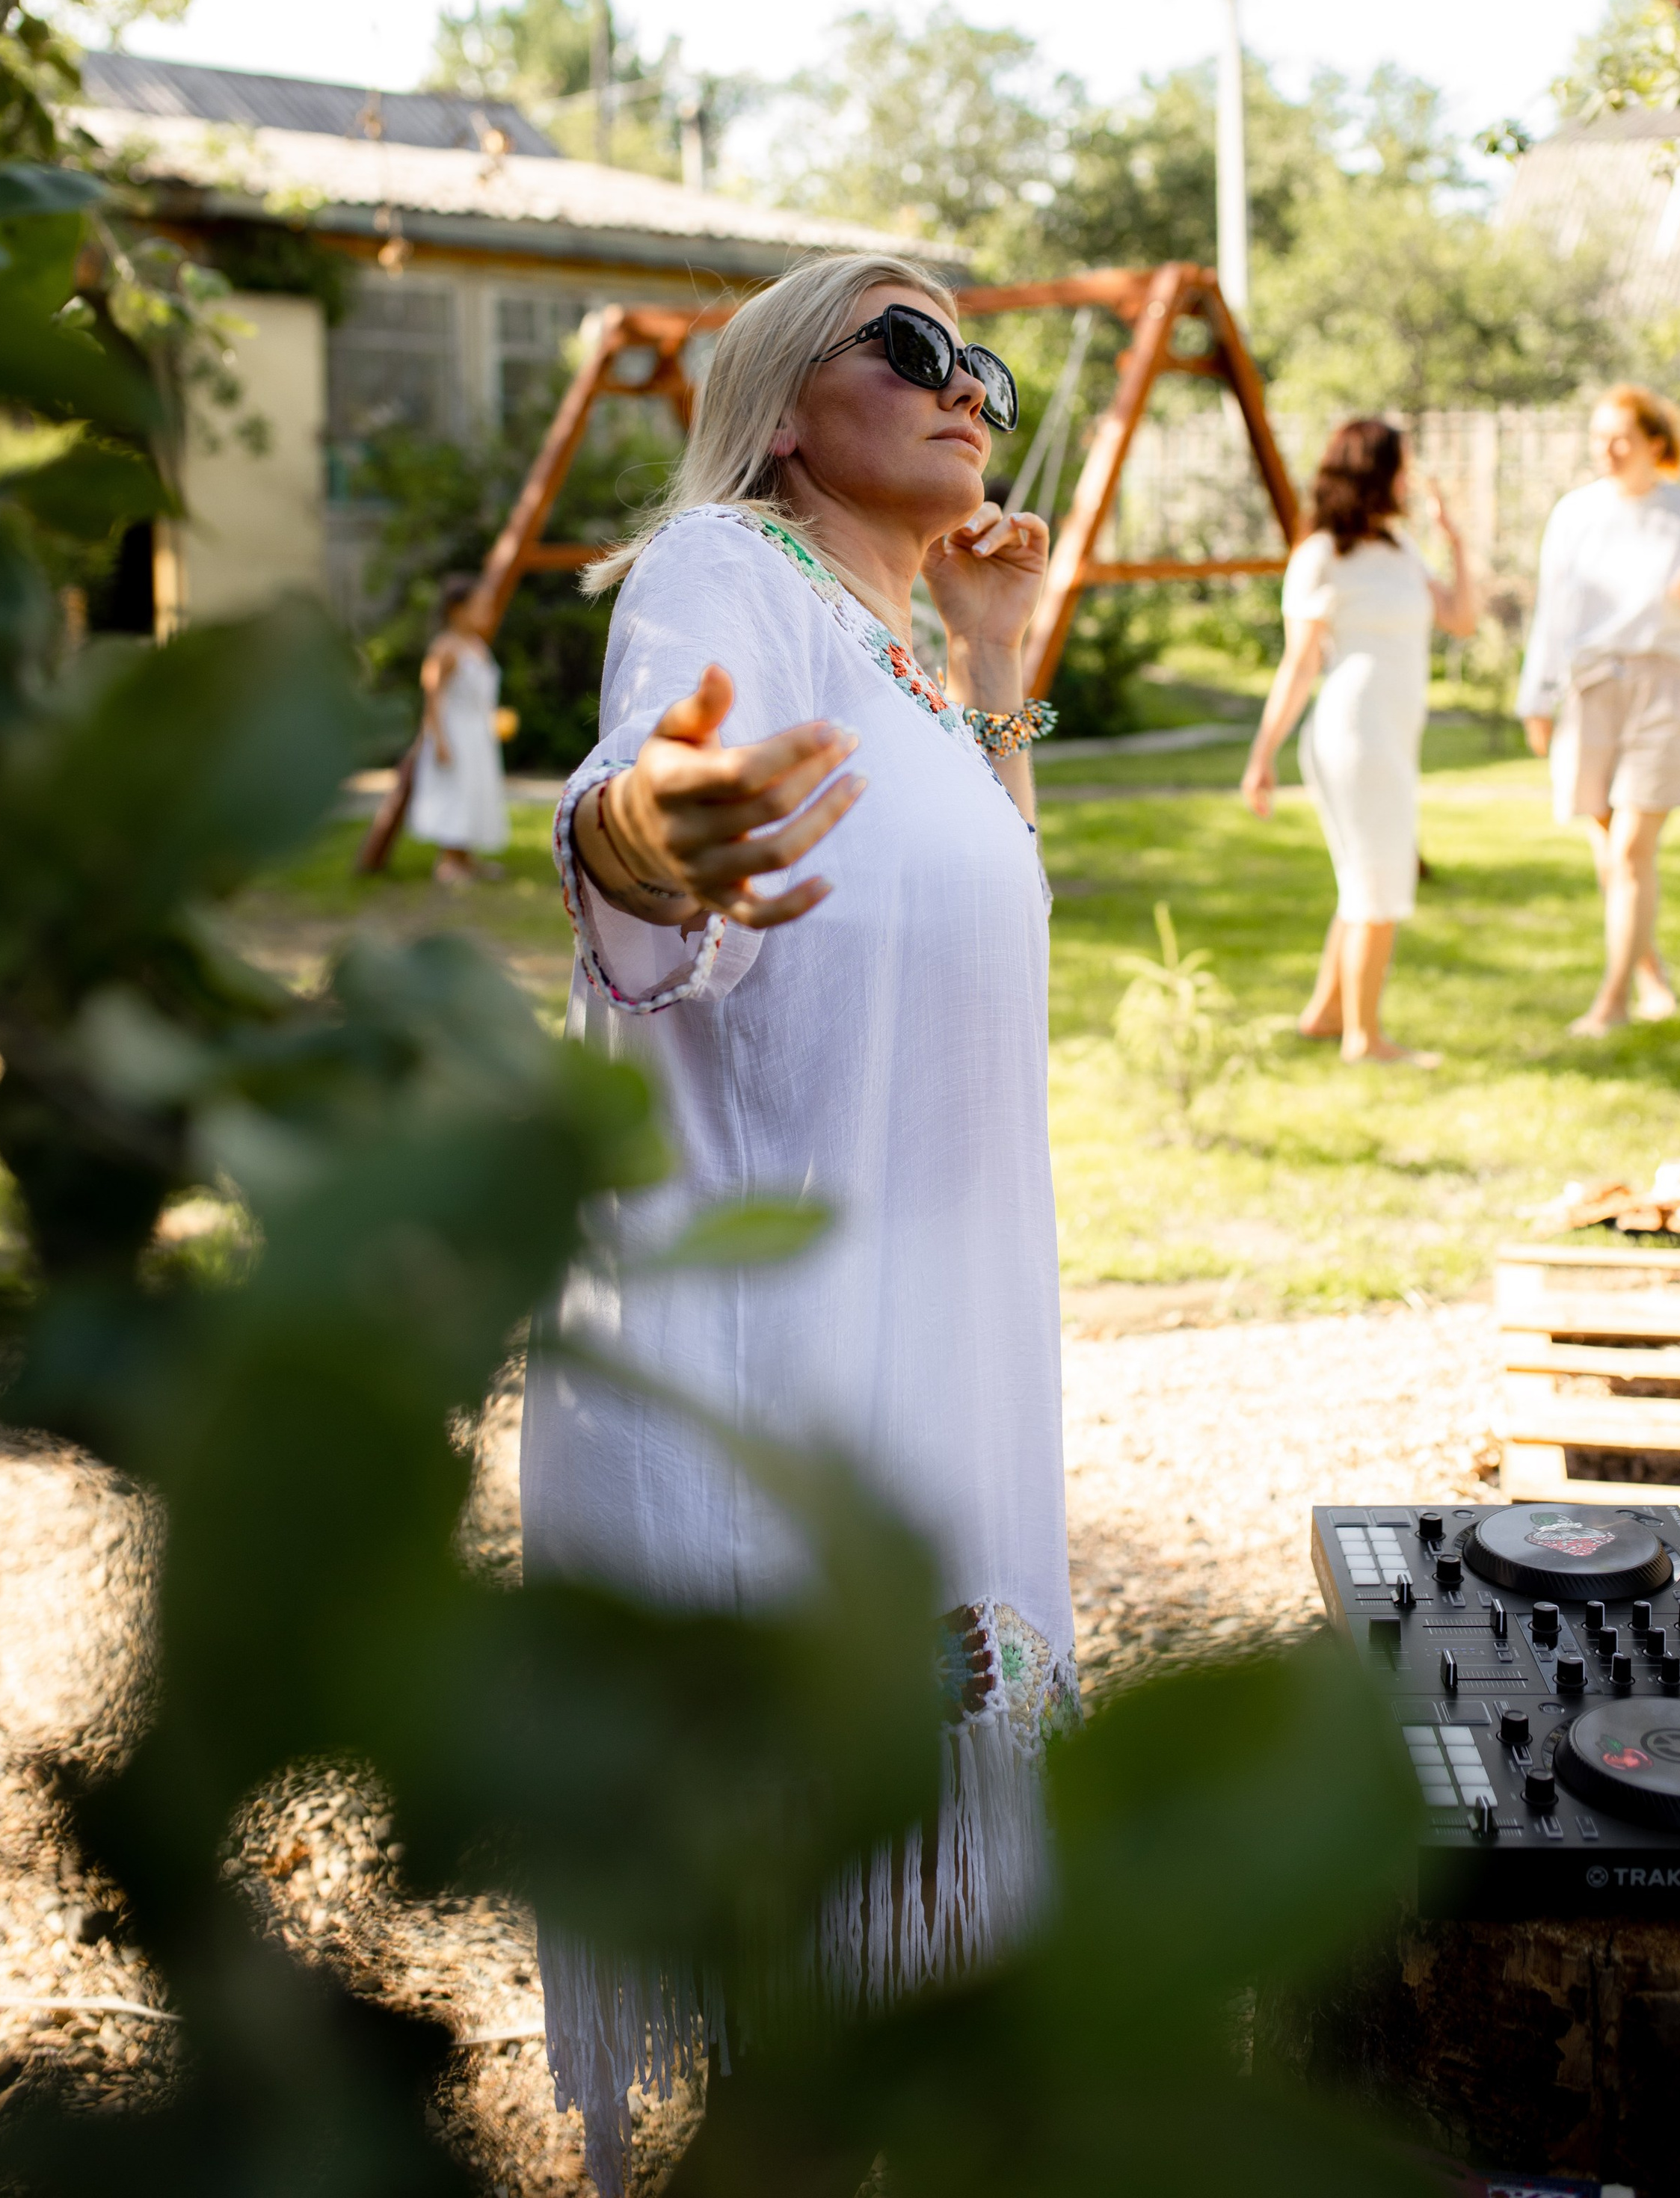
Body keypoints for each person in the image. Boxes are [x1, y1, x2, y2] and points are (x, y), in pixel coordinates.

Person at [524, 253, 1074, 2191]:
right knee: (812, 1994)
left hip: (943, 1347)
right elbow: (647, 802)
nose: (966, 388)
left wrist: (1001, 672)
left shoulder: (900, 655)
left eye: (981, 361)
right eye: (909, 348)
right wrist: (641, 835)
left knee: (896, 2003)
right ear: (779, 409)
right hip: (790, 1376)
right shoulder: (724, 573)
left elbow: (970, 907)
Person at [1240, 417, 1477, 1064]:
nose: (1408, 478)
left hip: (1392, 735)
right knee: (1380, 881)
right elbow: (1299, 665)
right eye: (1400, 466)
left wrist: (1456, 542)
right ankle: (1365, 1040)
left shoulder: (1399, 549)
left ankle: (1325, 1014)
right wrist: (1263, 757)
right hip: (1355, 733)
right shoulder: (1321, 554)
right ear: (1376, 473)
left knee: (1363, 879)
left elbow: (1462, 619)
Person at [1517, 384, 1680, 1037]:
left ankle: (1611, 1003)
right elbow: (1552, 613)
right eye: (1598, 438)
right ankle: (1651, 975)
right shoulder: (1575, 514)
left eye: (1619, 438)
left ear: (1655, 443)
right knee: (1607, 850)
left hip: (1666, 687)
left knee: (1631, 852)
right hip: (1591, 690)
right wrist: (1536, 698)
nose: (1607, 451)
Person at [407, 572, 509, 885]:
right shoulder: (445, 649)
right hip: (455, 732)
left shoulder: (477, 645)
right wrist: (439, 740)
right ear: (456, 609)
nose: (486, 613)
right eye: (478, 606)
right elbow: (433, 699)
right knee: (456, 791)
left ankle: (467, 859)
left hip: (478, 732)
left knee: (476, 791)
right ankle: (448, 861)